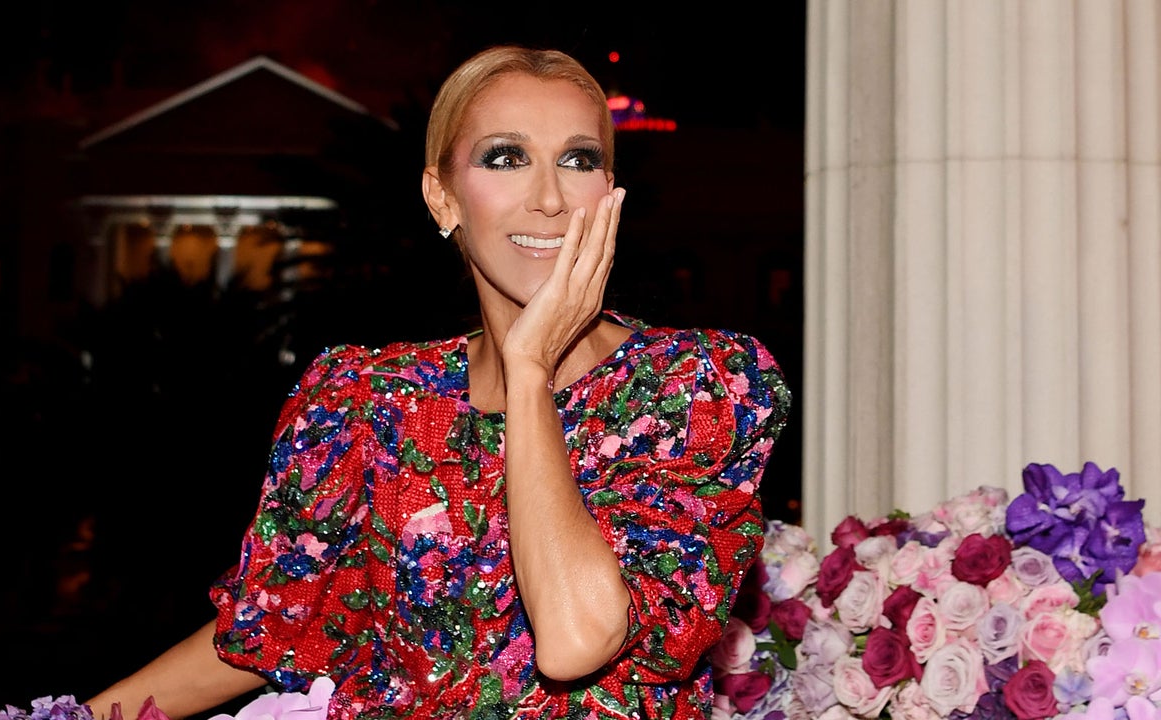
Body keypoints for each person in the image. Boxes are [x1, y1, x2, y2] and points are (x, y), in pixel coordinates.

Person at [82, 44, 791, 720]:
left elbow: (577, 638)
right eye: (506, 157)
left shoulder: (697, 387)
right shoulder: (366, 400)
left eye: (579, 160)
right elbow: (275, 627)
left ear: (609, 193)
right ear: (442, 197)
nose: (549, 197)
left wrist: (529, 369)